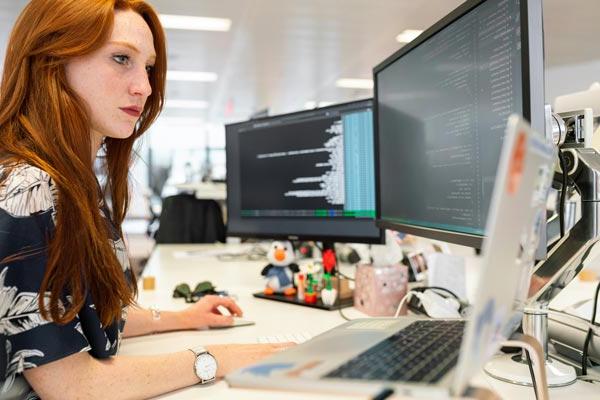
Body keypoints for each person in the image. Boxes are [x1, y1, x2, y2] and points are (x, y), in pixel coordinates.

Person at [0, 1, 290, 398]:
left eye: (148, 67)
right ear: (52, 61)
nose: (145, 87)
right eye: (121, 58)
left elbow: (83, 317)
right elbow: (70, 384)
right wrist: (218, 359)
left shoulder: (72, 183)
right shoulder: (27, 189)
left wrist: (182, 317)